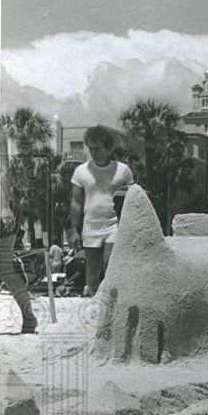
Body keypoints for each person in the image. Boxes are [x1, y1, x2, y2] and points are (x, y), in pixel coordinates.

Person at [70, 126, 132, 296]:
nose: (93, 152)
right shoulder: (81, 171)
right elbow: (75, 202)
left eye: (97, 148)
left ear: (108, 148)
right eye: (91, 148)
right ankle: (96, 304)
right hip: (91, 226)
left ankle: (110, 304)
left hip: (115, 225)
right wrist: (74, 230)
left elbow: (131, 198)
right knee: (92, 272)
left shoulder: (123, 170)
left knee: (110, 265)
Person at [0, 125, 38, 333]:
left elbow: (3, 168)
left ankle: (29, 316)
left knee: (5, 268)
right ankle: (29, 317)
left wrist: (4, 205)